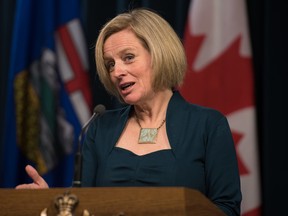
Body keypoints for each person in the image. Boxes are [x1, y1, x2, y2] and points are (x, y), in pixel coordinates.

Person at [16, 8, 242, 215]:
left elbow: (227, 208)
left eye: (128, 58)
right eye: (110, 64)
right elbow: (82, 208)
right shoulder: (100, 128)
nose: (117, 72)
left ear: (159, 54)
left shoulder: (207, 125)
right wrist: (50, 204)